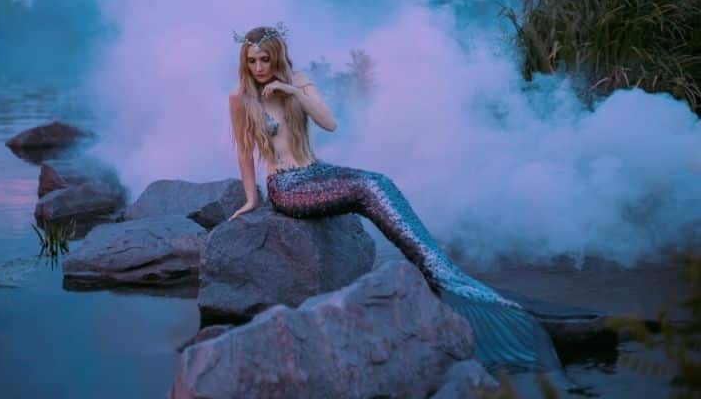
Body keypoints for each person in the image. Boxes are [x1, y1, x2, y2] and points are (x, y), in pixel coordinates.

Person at [227, 23, 564, 375]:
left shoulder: (297, 81)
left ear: (277, 57)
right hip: (288, 187)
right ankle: (436, 274)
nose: (260, 68)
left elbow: (329, 123)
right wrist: (252, 199)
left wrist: (289, 90)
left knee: (379, 181)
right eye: (252, 61)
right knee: (365, 189)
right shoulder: (240, 97)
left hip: (315, 171)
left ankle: (442, 271)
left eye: (266, 60)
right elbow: (245, 155)